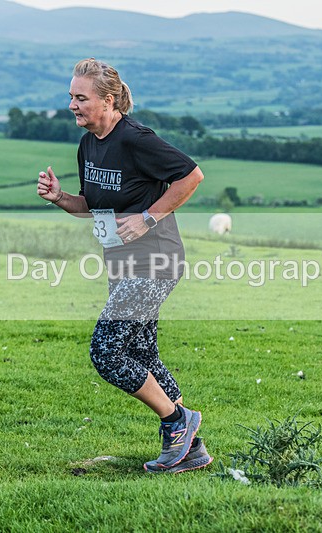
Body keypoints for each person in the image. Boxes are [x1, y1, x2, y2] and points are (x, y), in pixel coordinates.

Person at [37, 58, 211, 473]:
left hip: (156, 260)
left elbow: (192, 176)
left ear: (108, 100)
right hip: (120, 264)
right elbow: (94, 207)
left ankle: (177, 422)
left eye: (81, 98)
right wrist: (61, 198)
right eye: (71, 98)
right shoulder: (88, 145)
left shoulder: (136, 138)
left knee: (108, 350)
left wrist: (150, 216)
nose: (73, 106)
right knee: (140, 352)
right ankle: (191, 450)